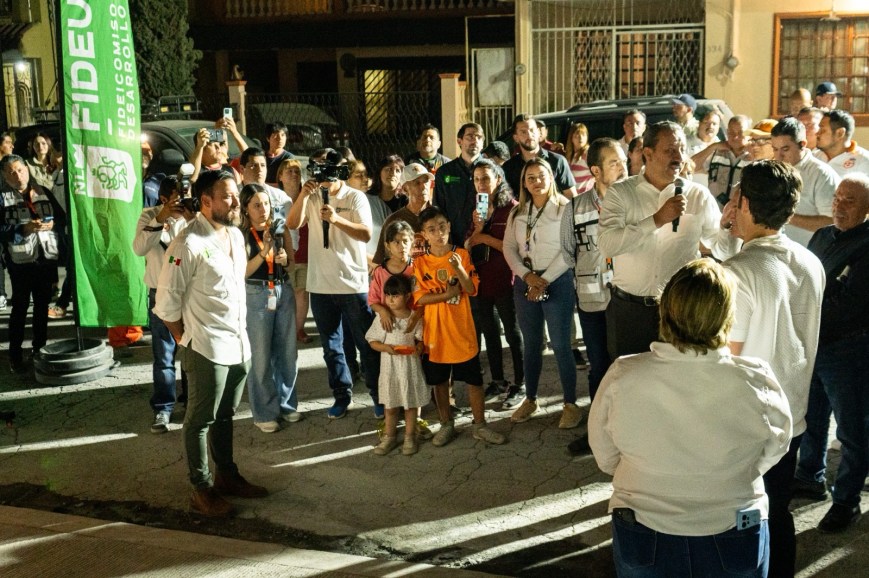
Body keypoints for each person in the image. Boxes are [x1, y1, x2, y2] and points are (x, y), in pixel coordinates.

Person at [589, 258, 793, 578]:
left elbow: (604, 453)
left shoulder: (623, 375)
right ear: (727, 315)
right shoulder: (755, 379)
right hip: (734, 523)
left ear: (665, 310)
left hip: (644, 523)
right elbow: (777, 445)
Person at [722, 160, 825, 578]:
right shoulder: (809, 261)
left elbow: (725, 359)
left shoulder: (737, 275)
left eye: (735, 196)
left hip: (747, 423)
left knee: (743, 517)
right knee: (777, 511)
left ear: (744, 202)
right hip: (794, 413)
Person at [154, 170, 267, 518]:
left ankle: (227, 477)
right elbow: (166, 303)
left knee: (225, 415)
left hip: (238, 344)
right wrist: (185, 340)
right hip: (206, 347)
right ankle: (200, 489)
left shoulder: (234, 234)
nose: (235, 202)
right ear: (206, 201)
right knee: (200, 420)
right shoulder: (187, 244)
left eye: (235, 195)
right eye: (227, 196)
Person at [598, 121, 733, 360]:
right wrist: (657, 220)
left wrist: (727, 228)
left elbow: (721, 250)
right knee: (630, 385)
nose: (679, 156)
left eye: (682, 148)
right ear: (647, 153)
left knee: (677, 388)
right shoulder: (621, 193)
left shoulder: (698, 196)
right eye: (670, 150)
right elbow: (608, 244)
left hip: (680, 313)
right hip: (629, 311)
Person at [794, 175, 869, 533]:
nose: (839, 205)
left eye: (849, 201)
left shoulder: (867, 245)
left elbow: (852, 304)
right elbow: (803, 281)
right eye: (837, 198)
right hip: (813, 342)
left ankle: (847, 501)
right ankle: (810, 477)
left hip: (849, 348)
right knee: (812, 417)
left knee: (853, 429)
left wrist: (810, 301)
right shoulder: (822, 236)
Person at [286, 148, 381, 419]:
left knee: (366, 344)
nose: (322, 174)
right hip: (321, 285)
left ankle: (377, 396)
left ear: (341, 169)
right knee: (331, 346)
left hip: (352, 283)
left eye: (328, 168)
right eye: (316, 168)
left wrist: (336, 219)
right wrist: (304, 194)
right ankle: (342, 395)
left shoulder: (355, 196)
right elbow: (293, 223)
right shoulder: (312, 196)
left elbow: (364, 234)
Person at [413, 206, 506, 446]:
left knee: (474, 381)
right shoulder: (420, 263)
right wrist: (446, 295)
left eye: (442, 226)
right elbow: (419, 299)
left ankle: (480, 425)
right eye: (432, 229)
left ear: (449, 226)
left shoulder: (461, 255)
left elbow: (472, 289)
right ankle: (446, 424)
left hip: (462, 331)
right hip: (436, 334)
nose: (439, 233)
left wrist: (460, 270)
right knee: (440, 382)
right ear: (423, 234)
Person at [503, 158, 580, 429]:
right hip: (526, 281)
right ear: (524, 182)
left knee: (561, 345)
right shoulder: (517, 213)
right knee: (532, 344)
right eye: (530, 177)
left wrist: (543, 280)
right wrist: (527, 277)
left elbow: (569, 251)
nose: (537, 181)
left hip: (555, 281)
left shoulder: (564, 209)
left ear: (551, 177)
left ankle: (570, 403)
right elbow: (509, 248)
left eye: (542, 175)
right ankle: (531, 398)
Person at [563, 138, 626, 404]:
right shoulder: (576, 207)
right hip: (593, 303)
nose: (623, 167)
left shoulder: (635, 201)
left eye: (623, 160)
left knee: (628, 366)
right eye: (614, 162)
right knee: (599, 366)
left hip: (627, 299)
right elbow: (568, 254)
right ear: (596, 171)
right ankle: (598, 428)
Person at [132, 176, 192, 433]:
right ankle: (163, 408)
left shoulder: (192, 216)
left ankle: (191, 403)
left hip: (189, 293)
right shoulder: (149, 215)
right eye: (177, 197)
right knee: (164, 356)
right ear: (164, 198)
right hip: (159, 292)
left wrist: (189, 218)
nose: (181, 201)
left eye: (185, 195)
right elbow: (139, 248)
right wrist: (161, 218)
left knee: (192, 352)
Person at [465, 158, 525, 409]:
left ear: (498, 180)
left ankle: (521, 385)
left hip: (505, 280)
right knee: (489, 332)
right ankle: (498, 380)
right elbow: (470, 244)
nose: (481, 183)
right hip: (481, 279)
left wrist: (484, 237)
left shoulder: (512, 209)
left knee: (512, 332)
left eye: (486, 178)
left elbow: (514, 248)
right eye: (477, 179)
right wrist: (475, 233)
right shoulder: (477, 210)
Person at [239, 183, 299, 433]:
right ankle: (264, 411)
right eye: (256, 205)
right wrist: (264, 252)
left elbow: (292, 263)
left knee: (287, 352)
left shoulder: (279, 229)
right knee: (261, 356)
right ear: (246, 209)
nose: (263, 209)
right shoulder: (240, 235)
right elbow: (243, 271)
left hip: (282, 289)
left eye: (265, 204)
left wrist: (285, 259)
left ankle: (287, 404)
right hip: (256, 292)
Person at [0, 155, 64, 374]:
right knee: (19, 309)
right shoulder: (2, 198)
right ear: (4, 175)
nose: (18, 175)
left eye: (20, 170)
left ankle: (39, 349)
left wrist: (54, 223)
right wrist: (22, 230)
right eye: (11, 172)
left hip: (45, 259)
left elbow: (61, 218)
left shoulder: (42, 191)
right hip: (20, 263)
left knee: (41, 307)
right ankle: (15, 356)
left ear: (27, 169)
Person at [366, 273, 427, 456]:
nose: (390, 300)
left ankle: (410, 436)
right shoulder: (383, 318)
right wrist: (385, 347)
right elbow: (372, 341)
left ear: (407, 296)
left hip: (409, 368)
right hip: (390, 369)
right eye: (388, 295)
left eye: (396, 295)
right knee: (390, 407)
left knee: (410, 406)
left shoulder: (414, 318)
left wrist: (419, 348)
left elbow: (421, 340)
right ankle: (389, 436)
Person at [770, 117, 839, 247]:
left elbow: (833, 223)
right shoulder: (773, 170)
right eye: (775, 149)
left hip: (812, 253)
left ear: (803, 144)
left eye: (785, 149)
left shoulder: (821, 174)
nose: (779, 156)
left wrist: (786, 217)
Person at [434, 122, 486, 247]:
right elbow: (438, 207)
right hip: (453, 239)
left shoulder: (491, 170)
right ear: (459, 141)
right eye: (470, 137)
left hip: (483, 237)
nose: (474, 141)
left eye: (479, 137)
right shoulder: (445, 171)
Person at [277, 158, 311, 344]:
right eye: (289, 170)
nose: (294, 174)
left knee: (302, 293)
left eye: (297, 171)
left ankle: (299, 329)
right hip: (284, 256)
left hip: (305, 255)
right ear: (280, 176)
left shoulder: (308, 197)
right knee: (285, 294)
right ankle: (285, 330)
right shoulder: (275, 198)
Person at [502, 114, 577, 198]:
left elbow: (571, 196)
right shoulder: (509, 167)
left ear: (538, 132)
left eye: (532, 130)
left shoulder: (557, 161)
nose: (529, 135)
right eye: (523, 132)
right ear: (516, 138)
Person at [373, 163, 432, 264]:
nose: (423, 186)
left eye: (426, 181)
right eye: (417, 183)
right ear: (405, 189)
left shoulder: (438, 216)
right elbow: (381, 261)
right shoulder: (394, 220)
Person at [692, 114, 752, 207]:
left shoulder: (754, 157)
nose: (735, 137)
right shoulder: (717, 153)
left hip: (740, 215)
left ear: (749, 134)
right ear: (727, 132)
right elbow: (690, 167)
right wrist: (713, 147)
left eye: (740, 133)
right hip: (714, 213)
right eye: (731, 133)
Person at [365, 155, 406, 272]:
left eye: (397, 170)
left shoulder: (405, 202)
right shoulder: (366, 200)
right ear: (379, 173)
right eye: (388, 169)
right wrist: (371, 261)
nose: (392, 173)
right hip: (371, 264)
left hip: (400, 264)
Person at [815, 109, 869, 177]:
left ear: (840, 133)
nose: (817, 133)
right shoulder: (815, 156)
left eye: (822, 130)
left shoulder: (864, 161)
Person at [564, 122, 594, 194]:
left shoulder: (588, 153)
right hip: (573, 197)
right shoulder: (569, 155)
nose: (580, 138)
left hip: (585, 197)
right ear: (571, 138)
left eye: (583, 135)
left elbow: (598, 173)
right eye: (577, 136)